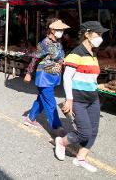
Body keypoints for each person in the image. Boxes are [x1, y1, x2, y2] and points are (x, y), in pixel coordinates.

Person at [54, 21, 108, 173]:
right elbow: (66, 78)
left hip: (93, 99)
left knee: (94, 130)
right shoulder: (76, 53)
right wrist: (69, 99)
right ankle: (62, 142)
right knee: (84, 132)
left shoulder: (93, 54)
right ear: (87, 34)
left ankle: (81, 158)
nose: (100, 37)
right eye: (98, 34)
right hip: (78, 99)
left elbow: (91, 77)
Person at [23, 19, 70, 136]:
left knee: (42, 98)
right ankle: (57, 126)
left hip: (54, 76)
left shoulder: (58, 43)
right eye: (59, 30)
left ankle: (30, 118)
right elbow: (35, 57)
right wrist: (29, 73)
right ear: (52, 30)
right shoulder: (44, 43)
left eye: (62, 30)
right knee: (50, 102)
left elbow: (59, 57)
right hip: (44, 76)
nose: (61, 32)